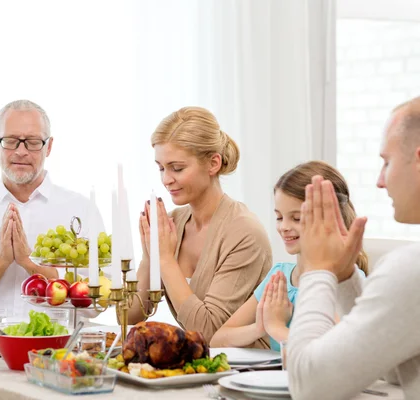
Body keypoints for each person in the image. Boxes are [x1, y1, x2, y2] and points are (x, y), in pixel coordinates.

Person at [288, 96, 420, 399]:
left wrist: (318, 270)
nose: (380, 181)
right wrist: (345, 278)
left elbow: (309, 386)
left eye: (387, 162)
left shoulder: (412, 267)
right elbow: (390, 366)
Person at [0, 100, 104, 323]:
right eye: (10, 141)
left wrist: (30, 263)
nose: (21, 151)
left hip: (59, 351)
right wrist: (0, 261)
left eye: (33, 142)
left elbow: (96, 303)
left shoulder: (81, 210)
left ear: (48, 147)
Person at [127, 106, 272, 343]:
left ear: (213, 163)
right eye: (161, 168)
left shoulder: (245, 233)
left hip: (245, 372)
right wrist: (149, 256)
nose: (166, 179)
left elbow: (209, 332)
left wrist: (165, 259)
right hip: (198, 367)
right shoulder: (173, 223)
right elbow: (132, 315)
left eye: (177, 168)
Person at [210, 161, 368, 351]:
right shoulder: (280, 277)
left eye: (296, 218)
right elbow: (218, 339)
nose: (284, 226)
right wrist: (259, 328)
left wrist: (275, 327)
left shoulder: (343, 283)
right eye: (279, 217)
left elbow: (328, 353)